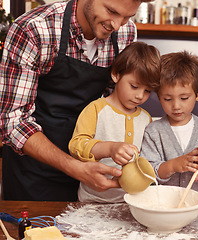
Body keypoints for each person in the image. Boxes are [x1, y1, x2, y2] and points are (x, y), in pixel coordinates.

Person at [0, 0, 153, 201]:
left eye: (127, 17)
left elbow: (113, 102)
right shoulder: (34, 29)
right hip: (33, 174)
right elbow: (13, 122)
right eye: (111, 11)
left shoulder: (126, 33)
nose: (117, 25)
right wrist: (75, 167)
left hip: (94, 176)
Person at [69, 41, 161, 203]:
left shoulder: (146, 119)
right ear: (116, 75)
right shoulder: (96, 109)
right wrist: (110, 148)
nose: (140, 96)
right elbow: (76, 146)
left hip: (131, 201)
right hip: (93, 200)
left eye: (147, 91)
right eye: (134, 86)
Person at [140, 51, 198, 202]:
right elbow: (148, 174)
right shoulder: (153, 132)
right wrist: (174, 165)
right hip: (164, 207)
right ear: (159, 96)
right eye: (167, 99)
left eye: (184, 98)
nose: (176, 106)